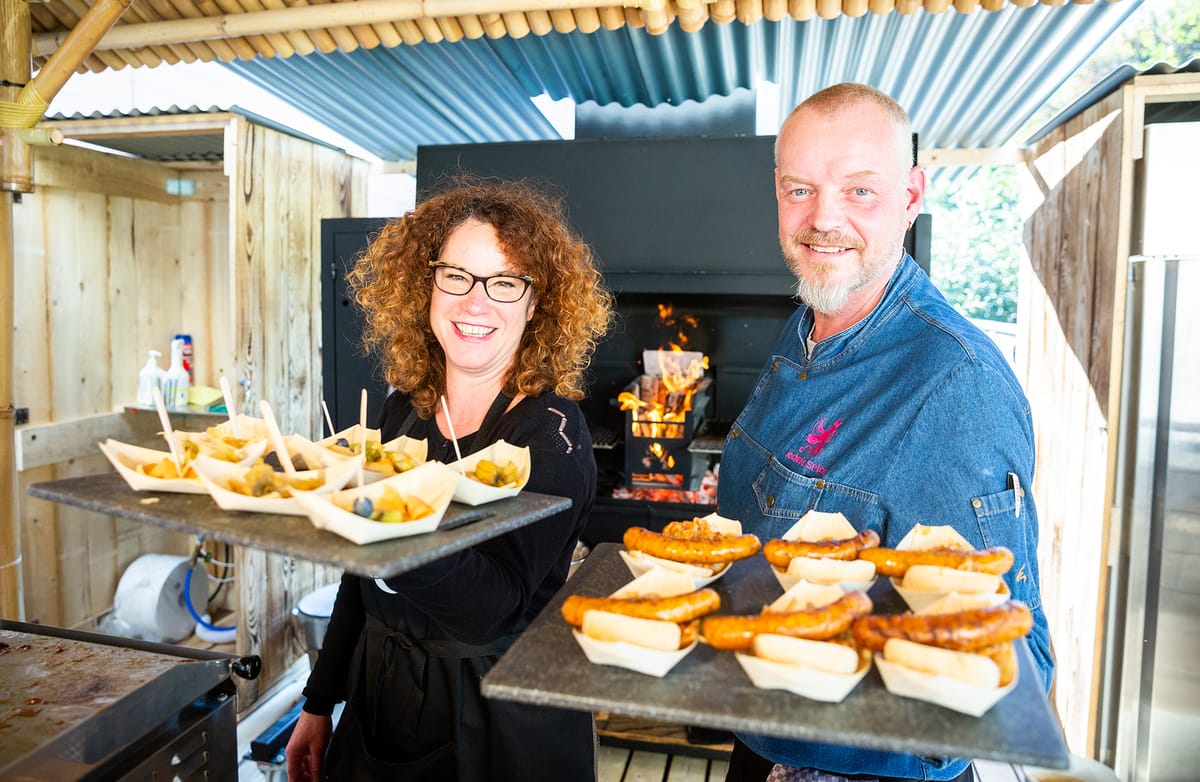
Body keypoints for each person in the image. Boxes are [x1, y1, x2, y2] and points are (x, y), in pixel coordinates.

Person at [716, 83, 1055, 782]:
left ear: (911, 196)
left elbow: (1010, 671)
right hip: (765, 731)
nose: (823, 219)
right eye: (800, 189)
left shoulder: (955, 386)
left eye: (860, 191)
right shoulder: (815, 316)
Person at [285, 179, 613, 782]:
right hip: (380, 697)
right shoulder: (401, 411)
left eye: (505, 282)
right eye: (456, 275)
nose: (475, 302)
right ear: (427, 284)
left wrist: (380, 519)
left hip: (498, 721)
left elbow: (490, 610)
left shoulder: (552, 437)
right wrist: (319, 700)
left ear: (535, 303)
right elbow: (361, 576)